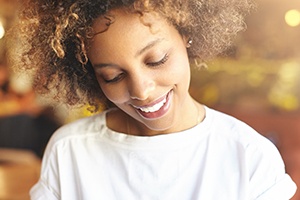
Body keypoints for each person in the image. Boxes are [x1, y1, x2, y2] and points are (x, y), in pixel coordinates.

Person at [8, 0, 296, 199]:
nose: (142, 91)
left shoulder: (249, 156)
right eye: (113, 76)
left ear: (185, 35)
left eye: (157, 60)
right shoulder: (70, 151)